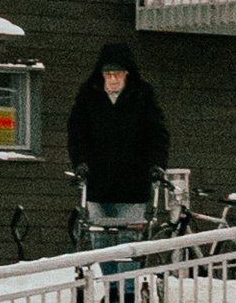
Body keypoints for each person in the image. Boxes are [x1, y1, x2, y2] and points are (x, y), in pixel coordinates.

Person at [65, 40, 171, 278]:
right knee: (100, 238)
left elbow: (157, 134)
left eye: (118, 74)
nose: (113, 79)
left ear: (127, 75)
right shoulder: (88, 97)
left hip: (133, 179)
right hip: (98, 180)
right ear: (101, 75)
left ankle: (129, 288)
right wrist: (79, 162)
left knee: (129, 238)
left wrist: (156, 165)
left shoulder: (142, 97)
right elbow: (77, 134)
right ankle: (113, 284)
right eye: (108, 74)